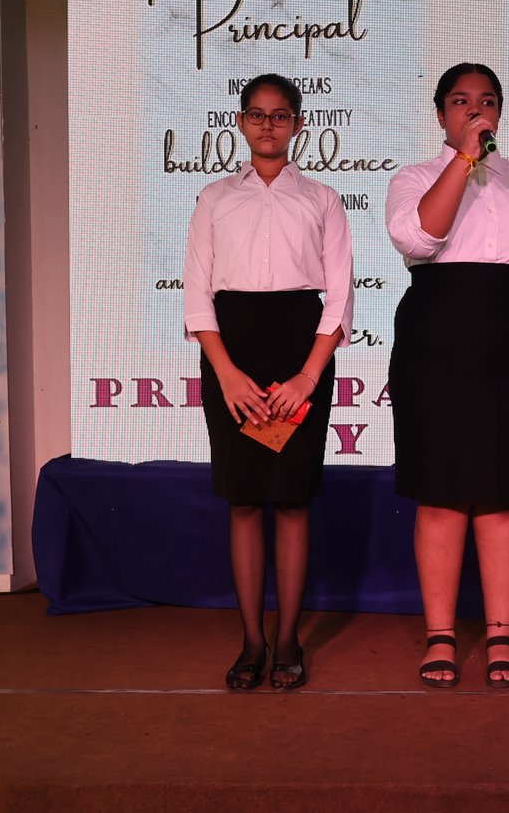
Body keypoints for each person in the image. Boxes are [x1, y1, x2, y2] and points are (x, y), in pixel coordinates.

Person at [385, 63, 509, 689]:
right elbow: (419, 237)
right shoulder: (414, 178)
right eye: (461, 102)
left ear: (501, 111)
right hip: (434, 346)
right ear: (440, 114)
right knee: (441, 494)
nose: (476, 111)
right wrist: (463, 161)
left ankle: (501, 635)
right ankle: (441, 636)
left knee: (502, 493)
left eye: (487, 101)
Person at [182, 73, 354, 691]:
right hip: (233, 351)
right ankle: (252, 640)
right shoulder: (214, 198)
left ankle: (288, 640)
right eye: (257, 114)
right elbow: (197, 295)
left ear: (298, 125)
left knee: (293, 499)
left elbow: (339, 298)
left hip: (299, 349)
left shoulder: (323, 199)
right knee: (246, 499)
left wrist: (308, 375)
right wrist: (226, 374)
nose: (268, 125)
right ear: (240, 122)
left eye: (280, 115)